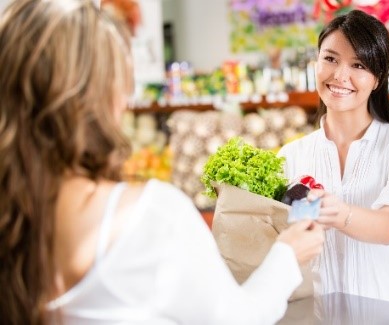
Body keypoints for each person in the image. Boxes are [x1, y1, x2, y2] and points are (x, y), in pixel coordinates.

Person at [0, 1, 325, 324]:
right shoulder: (150, 216)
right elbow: (237, 318)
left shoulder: (13, 217)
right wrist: (287, 254)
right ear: (103, 94)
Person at [278, 10, 389, 308]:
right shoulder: (290, 156)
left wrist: (340, 213)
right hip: (321, 316)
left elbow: (388, 226)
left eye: (358, 64)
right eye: (330, 59)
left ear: (378, 78)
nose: (339, 76)